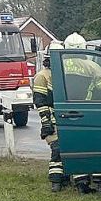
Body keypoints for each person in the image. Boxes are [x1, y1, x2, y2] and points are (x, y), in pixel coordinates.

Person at [62, 32, 101, 193]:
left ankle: (80, 181)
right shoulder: (92, 66)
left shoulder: (59, 67)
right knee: (98, 146)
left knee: (76, 147)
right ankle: (100, 180)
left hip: (67, 112)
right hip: (90, 111)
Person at [33, 41, 68, 191]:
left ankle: (66, 178)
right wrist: (46, 122)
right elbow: (40, 102)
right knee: (57, 149)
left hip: (66, 119)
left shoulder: (64, 74)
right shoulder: (42, 76)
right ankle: (56, 181)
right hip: (52, 121)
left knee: (67, 149)